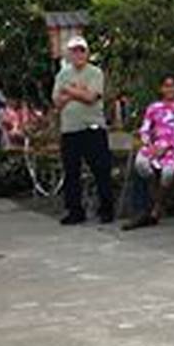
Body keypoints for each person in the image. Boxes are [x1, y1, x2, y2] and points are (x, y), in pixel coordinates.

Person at [53, 36, 114, 225]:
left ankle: (106, 210)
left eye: (81, 50)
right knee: (71, 172)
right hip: (70, 129)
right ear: (69, 54)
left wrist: (70, 91)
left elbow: (91, 97)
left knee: (101, 170)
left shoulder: (95, 73)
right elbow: (57, 101)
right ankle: (75, 211)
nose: (78, 54)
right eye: (74, 51)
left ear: (87, 52)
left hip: (92, 127)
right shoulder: (62, 74)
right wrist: (78, 91)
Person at [123, 75, 174, 231]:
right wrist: (150, 145)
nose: (169, 89)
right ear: (161, 89)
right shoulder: (154, 107)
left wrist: (168, 146)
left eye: (172, 86)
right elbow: (145, 129)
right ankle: (148, 206)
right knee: (141, 164)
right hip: (154, 146)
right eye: (166, 86)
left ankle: (157, 206)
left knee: (168, 173)